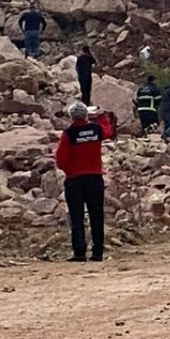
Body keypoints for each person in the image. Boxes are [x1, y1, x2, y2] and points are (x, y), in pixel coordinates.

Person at [55, 102, 116, 262]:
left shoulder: (69, 133)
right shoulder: (96, 129)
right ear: (86, 115)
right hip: (94, 177)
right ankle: (97, 252)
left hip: (74, 180)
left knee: (76, 216)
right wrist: (102, 117)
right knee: (97, 215)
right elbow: (108, 132)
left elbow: (60, 161)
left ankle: (79, 252)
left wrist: (70, 169)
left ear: (71, 117)